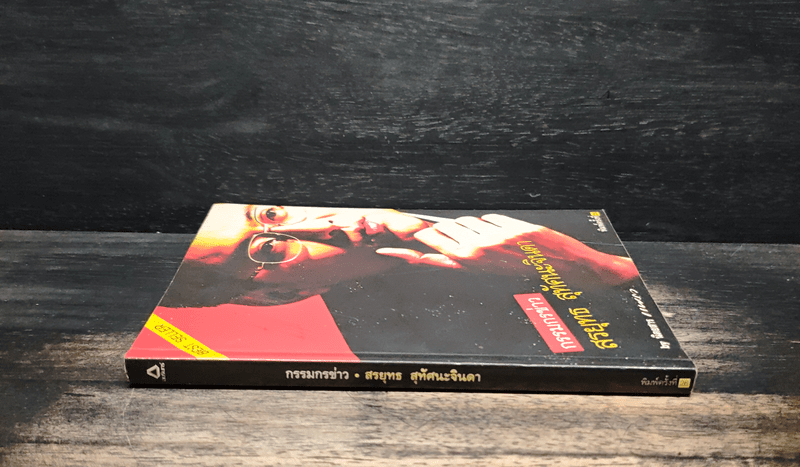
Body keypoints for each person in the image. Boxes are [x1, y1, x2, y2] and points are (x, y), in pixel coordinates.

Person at [161, 204, 638, 308]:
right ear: (281, 295)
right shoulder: (421, 343)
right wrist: (600, 269)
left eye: (270, 214)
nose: (327, 225)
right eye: (270, 246)